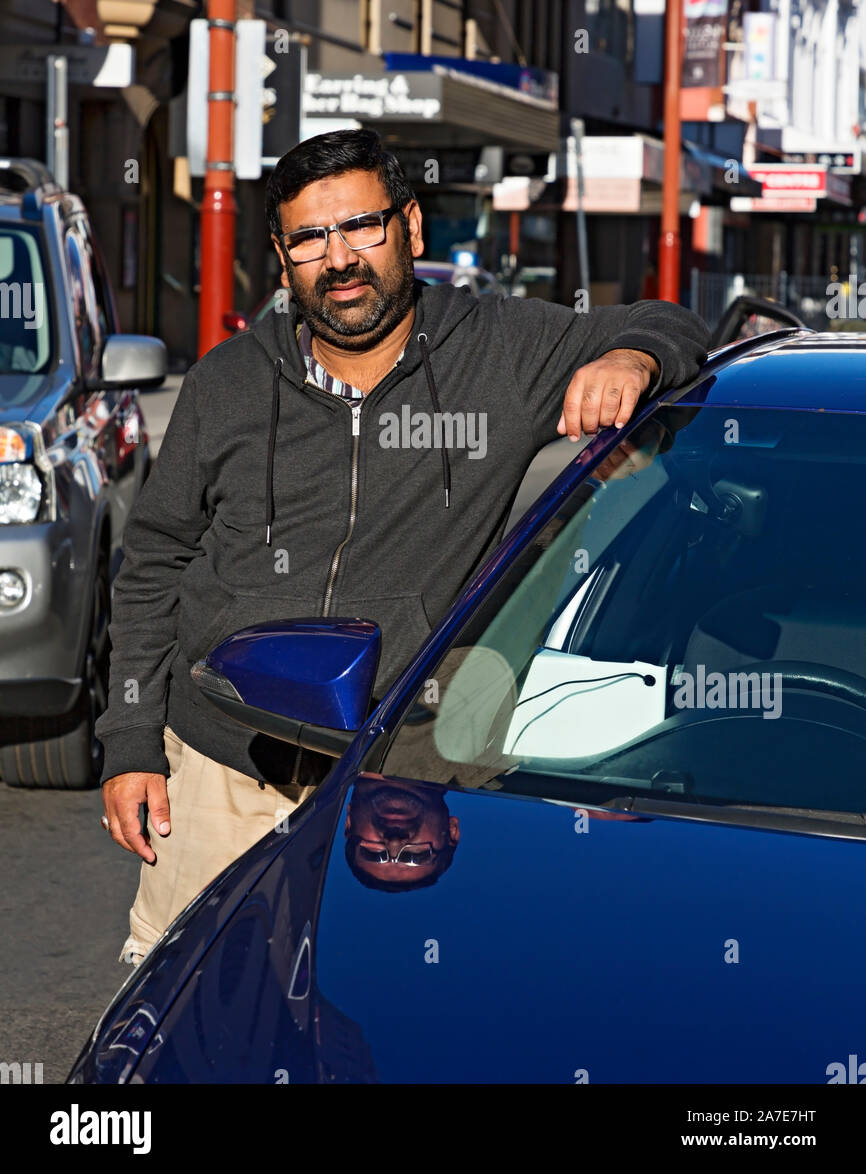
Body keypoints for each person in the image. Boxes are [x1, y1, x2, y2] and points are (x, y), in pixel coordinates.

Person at [98, 128, 710, 964]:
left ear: (412, 230)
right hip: (220, 764)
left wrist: (634, 358)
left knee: (398, 1006)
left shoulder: (504, 350)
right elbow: (152, 566)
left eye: (361, 227)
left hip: (405, 777)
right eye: (310, 238)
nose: (339, 258)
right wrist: (131, 744)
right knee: (190, 1015)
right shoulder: (227, 382)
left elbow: (669, 321)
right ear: (282, 259)